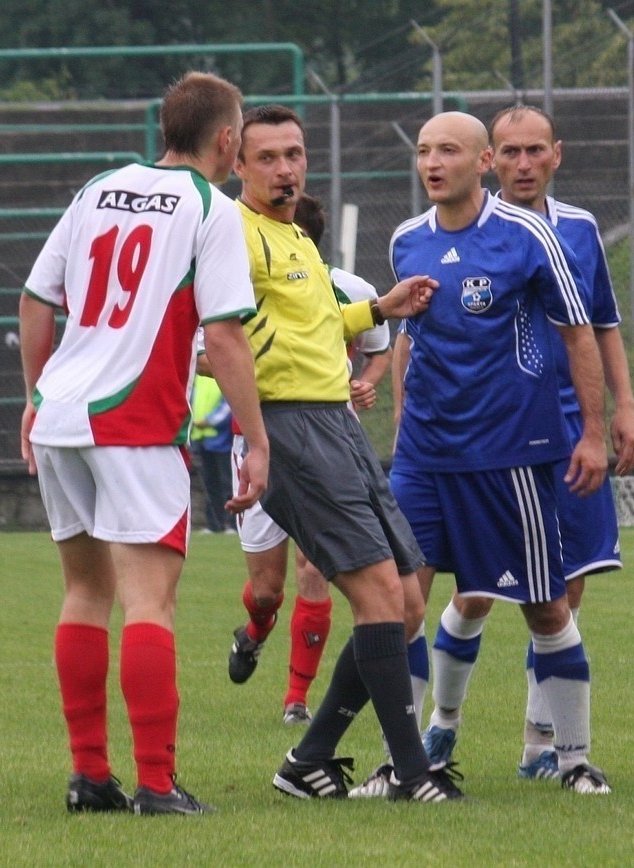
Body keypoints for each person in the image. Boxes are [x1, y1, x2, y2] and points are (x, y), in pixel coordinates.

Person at [18, 71, 269, 816]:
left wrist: (36, 399)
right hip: (133, 423)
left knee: (84, 593)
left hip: (62, 413)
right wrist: (255, 440)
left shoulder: (98, 187)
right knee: (149, 602)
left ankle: (90, 776)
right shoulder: (211, 209)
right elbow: (223, 336)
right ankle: (157, 784)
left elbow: (35, 301)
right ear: (228, 140)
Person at [232, 103, 462, 802]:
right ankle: (413, 775)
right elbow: (210, 345)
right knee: (378, 597)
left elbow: (321, 322)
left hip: (336, 422)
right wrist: (259, 432)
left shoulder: (293, 237)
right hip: (294, 428)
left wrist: (382, 308)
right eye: (267, 158)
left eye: (293, 154)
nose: (285, 169)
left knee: (408, 601)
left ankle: (308, 760)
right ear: (236, 164)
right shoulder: (231, 239)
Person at [411, 105, 634, 783]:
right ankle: (438, 731)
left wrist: (619, 411)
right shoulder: (444, 234)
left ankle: (543, 748)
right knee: (475, 591)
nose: (522, 164)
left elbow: (598, 325)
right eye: (509, 151)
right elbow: (413, 337)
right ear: (490, 160)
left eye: (534, 150)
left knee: (559, 593)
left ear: (556, 155)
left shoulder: (577, 230)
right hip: (491, 436)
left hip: (568, 427)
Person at [225, 192, 393, 726]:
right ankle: (253, 631)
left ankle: (295, 699)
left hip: (329, 440)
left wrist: (364, 382)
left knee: (315, 569)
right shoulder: (239, 287)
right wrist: (257, 372)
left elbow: (378, 345)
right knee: (268, 590)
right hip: (258, 441)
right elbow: (209, 357)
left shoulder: (350, 289)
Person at [190, 374, 237, 534]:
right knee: (210, 485)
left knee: (227, 483)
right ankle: (214, 524)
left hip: (222, 439)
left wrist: (209, 421)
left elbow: (228, 404)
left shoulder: (220, 374)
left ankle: (232, 523)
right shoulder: (199, 378)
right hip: (202, 438)